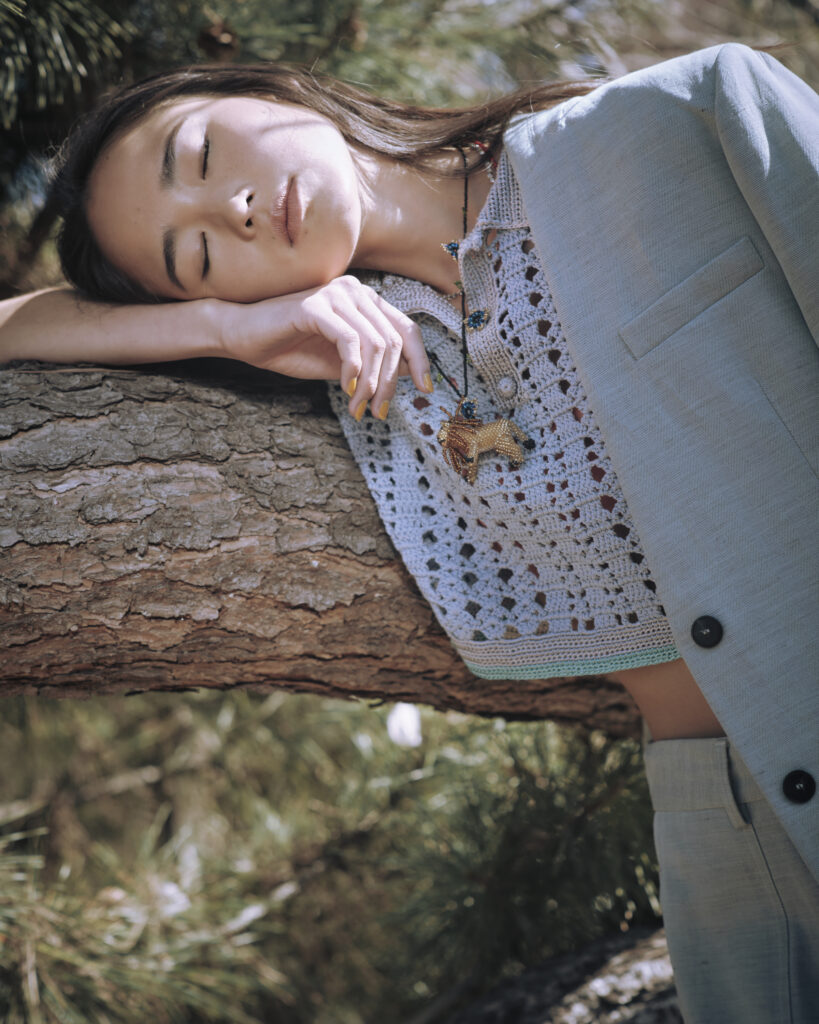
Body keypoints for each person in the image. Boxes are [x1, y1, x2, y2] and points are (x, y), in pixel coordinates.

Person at [1, 43, 817, 1022]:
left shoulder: (674, 124)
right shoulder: (369, 377)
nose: (236, 210)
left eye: (203, 155)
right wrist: (220, 327)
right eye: (200, 257)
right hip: (737, 859)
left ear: (264, 87)